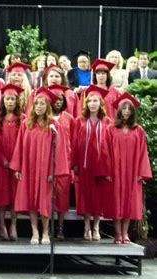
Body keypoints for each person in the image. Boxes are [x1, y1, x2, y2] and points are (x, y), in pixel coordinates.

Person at [10, 88, 69, 245]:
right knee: (31, 199)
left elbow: (60, 150)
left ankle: (45, 232)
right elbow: (19, 147)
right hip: (29, 167)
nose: (39, 106)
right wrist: (18, 168)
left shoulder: (54, 125)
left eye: (42, 103)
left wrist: (54, 171)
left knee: (44, 200)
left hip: (46, 170)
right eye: (37, 103)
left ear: (48, 106)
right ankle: (34, 231)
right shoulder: (26, 124)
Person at [105, 93, 152, 244]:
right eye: (123, 108)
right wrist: (107, 171)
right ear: (119, 111)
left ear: (132, 112)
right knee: (117, 201)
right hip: (116, 171)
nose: (126, 111)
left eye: (129, 109)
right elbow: (105, 152)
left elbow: (143, 152)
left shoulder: (138, 130)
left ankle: (125, 234)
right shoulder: (110, 129)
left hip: (132, 171)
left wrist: (141, 172)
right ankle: (117, 233)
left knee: (129, 202)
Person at [72, 85, 113, 241]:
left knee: (98, 197)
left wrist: (109, 168)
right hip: (84, 165)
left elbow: (110, 146)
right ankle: (86, 226)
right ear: (86, 103)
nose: (92, 104)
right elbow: (75, 143)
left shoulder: (108, 122)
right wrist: (74, 163)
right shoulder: (80, 121)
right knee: (86, 196)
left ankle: (96, 227)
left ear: (101, 103)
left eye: (95, 101)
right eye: (90, 101)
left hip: (101, 165)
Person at [0, 84, 24, 241]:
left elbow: (23, 142)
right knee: (2, 195)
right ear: (2, 101)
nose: (10, 102)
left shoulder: (23, 119)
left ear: (17, 101)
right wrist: (3, 160)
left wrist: (16, 161)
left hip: (17, 164)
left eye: (12, 99)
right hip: (1, 164)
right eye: (7, 99)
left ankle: (13, 224)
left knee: (15, 195)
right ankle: (2, 223)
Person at [49, 84, 74, 240]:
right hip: (47, 161)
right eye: (55, 99)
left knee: (62, 197)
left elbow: (74, 141)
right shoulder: (45, 118)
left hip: (65, 160)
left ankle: (60, 227)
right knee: (47, 195)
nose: (58, 102)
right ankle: (48, 226)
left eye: (61, 99)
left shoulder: (69, 118)